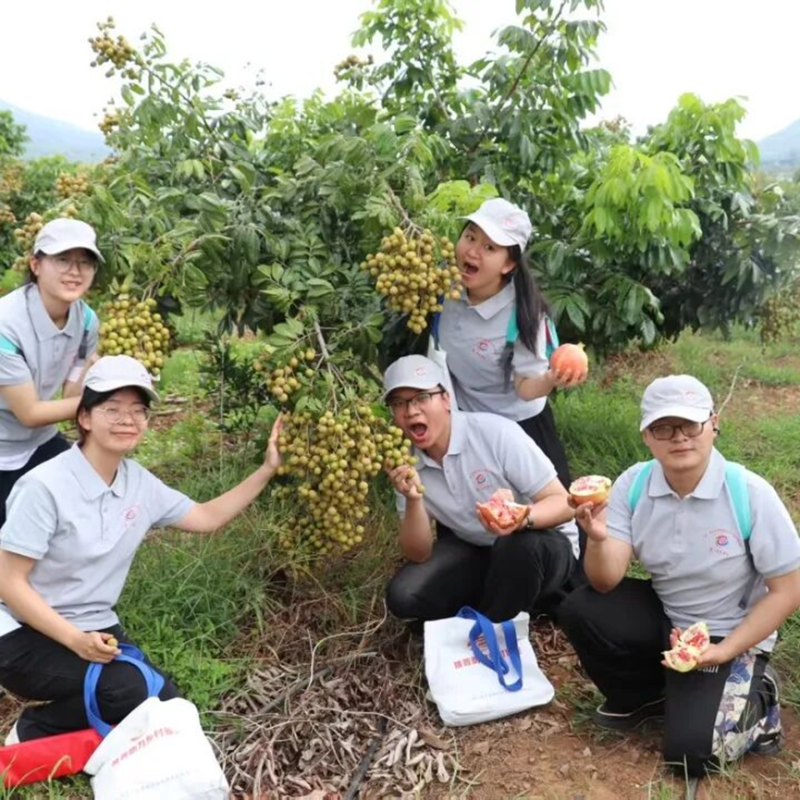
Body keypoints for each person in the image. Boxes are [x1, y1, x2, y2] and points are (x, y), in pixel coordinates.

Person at [0, 355, 283, 743]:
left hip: (93, 624)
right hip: (19, 632)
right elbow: (9, 583)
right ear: (84, 417)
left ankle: (88, 725)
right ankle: (33, 730)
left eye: (138, 411)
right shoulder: (44, 486)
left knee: (167, 705)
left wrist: (266, 469)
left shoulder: (139, 483)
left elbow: (205, 517)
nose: (127, 420)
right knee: (125, 689)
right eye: (112, 409)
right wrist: (75, 640)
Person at [558, 375, 800, 777]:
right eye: (664, 428)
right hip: (670, 617)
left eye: (691, 424)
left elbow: (788, 590)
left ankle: (761, 699)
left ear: (713, 424)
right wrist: (598, 540)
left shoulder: (749, 493)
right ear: (646, 436)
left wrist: (724, 650)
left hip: (731, 631)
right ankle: (644, 697)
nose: (679, 437)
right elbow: (604, 580)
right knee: (581, 607)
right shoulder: (633, 485)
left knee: (691, 755)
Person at [383, 354, 579, 625]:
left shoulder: (495, 434)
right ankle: (505, 600)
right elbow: (418, 553)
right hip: (479, 548)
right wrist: (413, 499)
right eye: (399, 403)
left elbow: (564, 503)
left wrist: (521, 517)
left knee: (520, 547)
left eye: (421, 398)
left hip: (544, 544)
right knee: (405, 595)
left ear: (446, 399)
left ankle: (491, 629)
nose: (411, 411)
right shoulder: (406, 461)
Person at [434, 197, 587, 491]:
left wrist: (552, 378)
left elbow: (526, 388)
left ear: (509, 264)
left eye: (489, 247)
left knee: (546, 514)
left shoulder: (525, 316)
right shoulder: (445, 288)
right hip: (465, 420)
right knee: (469, 508)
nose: (473, 251)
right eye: (470, 236)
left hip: (519, 425)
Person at [0, 219, 103, 527]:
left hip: (40, 440)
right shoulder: (7, 324)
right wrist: (106, 397)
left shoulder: (85, 321)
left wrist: (97, 373)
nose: (75, 271)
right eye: (62, 259)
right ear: (36, 264)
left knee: (76, 513)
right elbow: (29, 412)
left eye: (86, 262)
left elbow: (71, 398)